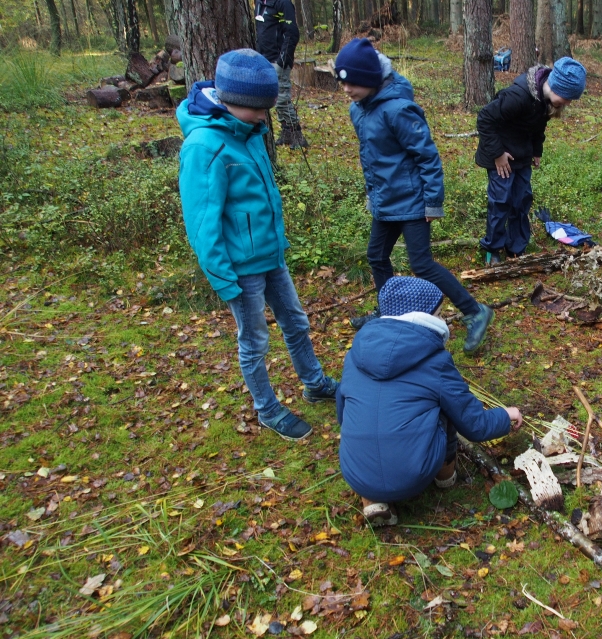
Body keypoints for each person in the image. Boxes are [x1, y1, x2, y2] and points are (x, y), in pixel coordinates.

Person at [177, 49, 338, 441]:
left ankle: (314, 384)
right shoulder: (204, 146)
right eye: (260, 109)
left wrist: (278, 245)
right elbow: (201, 223)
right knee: (254, 342)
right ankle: (267, 409)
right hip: (240, 268)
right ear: (236, 101)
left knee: (296, 322)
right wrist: (223, 280)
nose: (266, 117)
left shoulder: (247, 131)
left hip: (270, 257)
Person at [335, 38, 494, 353]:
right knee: (377, 256)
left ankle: (475, 311)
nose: (346, 90)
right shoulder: (359, 110)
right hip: (385, 200)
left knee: (421, 263)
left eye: (352, 82)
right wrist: (373, 194)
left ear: (369, 79)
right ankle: (388, 313)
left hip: (412, 201)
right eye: (342, 83)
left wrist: (433, 202)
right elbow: (372, 158)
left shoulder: (399, 110)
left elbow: (428, 157)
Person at [336, 277, 523, 526]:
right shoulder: (435, 361)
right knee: (445, 410)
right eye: (439, 312)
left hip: (355, 472)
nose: (444, 318)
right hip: (413, 476)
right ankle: (445, 474)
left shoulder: (354, 355)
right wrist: (505, 415)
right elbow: (474, 424)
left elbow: (342, 412)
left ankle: (371, 500)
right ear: (425, 317)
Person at [475, 57, 588, 266]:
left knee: (521, 201)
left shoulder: (544, 102)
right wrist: (497, 154)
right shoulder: (517, 96)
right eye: (567, 98)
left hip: (522, 156)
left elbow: (537, 127)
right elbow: (485, 119)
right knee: (501, 201)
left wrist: (536, 150)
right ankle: (493, 248)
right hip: (501, 158)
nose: (568, 104)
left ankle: (516, 248)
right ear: (556, 86)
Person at [255, 0, 307, 148]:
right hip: (264, 58)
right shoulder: (259, 3)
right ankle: (286, 131)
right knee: (272, 98)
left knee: (282, 98)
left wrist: (282, 60)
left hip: (278, 60)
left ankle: (297, 133)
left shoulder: (283, 3)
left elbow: (292, 33)